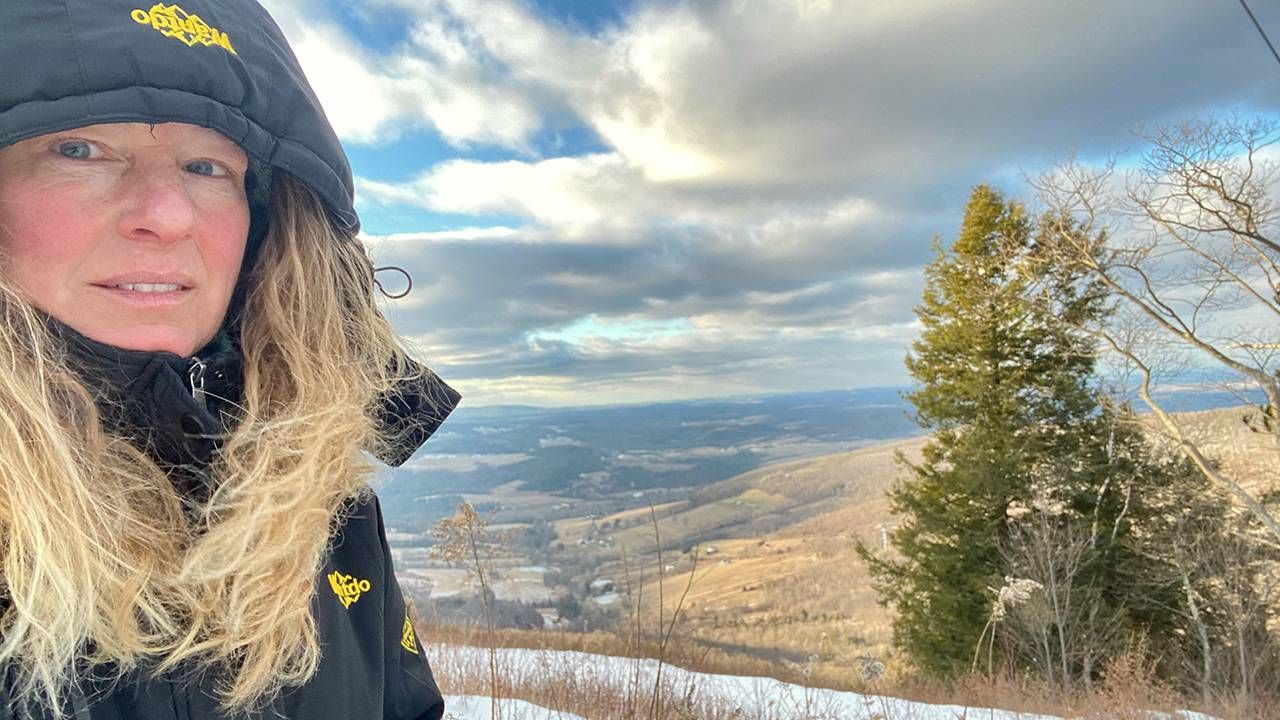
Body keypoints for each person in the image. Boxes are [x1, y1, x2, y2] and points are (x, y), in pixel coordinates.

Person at [0, 1, 459, 718]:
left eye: (207, 166)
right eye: (80, 149)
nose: (168, 212)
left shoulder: (319, 500)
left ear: (268, 223)